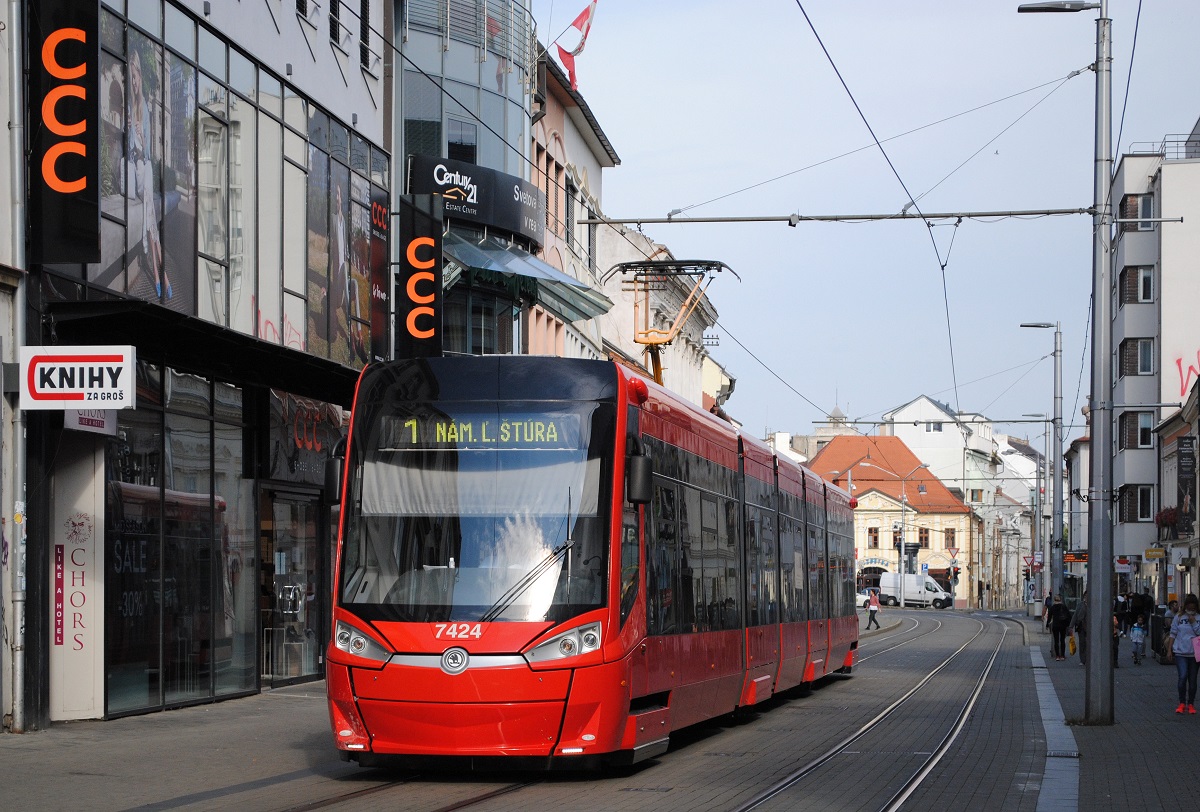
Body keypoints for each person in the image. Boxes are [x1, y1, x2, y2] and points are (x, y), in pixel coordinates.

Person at [128, 50, 169, 300]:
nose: (133, 82)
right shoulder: (131, 107)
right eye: (131, 78)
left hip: (146, 170)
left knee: (152, 223)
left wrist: (141, 138)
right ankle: (161, 275)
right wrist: (130, 135)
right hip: (138, 171)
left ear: (141, 77)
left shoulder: (144, 108)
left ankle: (158, 276)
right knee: (153, 225)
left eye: (135, 77)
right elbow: (130, 151)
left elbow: (148, 152)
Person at [1165, 594, 1200, 714]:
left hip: (1195, 653)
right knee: (1183, 676)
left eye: (1194, 608)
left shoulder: (1198, 617)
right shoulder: (1179, 617)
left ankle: (1191, 703)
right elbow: (1173, 633)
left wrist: (1194, 623)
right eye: (1189, 607)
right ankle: (1181, 702)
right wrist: (1169, 650)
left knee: (1193, 680)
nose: (1191, 610)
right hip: (1180, 653)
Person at [1047, 594, 1072, 661]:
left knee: (1056, 641)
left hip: (1055, 625)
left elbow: (1049, 617)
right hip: (1063, 625)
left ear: (1054, 600)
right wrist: (1070, 625)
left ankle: (1057, 656)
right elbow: (1069, 615)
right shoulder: (1064, 606)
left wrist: (1047, 624)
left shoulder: (1052, 607)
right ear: (1060, 599)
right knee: (1062, 640)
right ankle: (1062, 655)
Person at [1070, 591, 1088, 666]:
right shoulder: (1080, 605)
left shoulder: (1094, 605)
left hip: (1090, 627)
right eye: (1086, 596)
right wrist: (1071, 626)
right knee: (1082, 643)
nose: (1087, 598)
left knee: (1089, 643)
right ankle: (1082, 660)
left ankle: (1089, 658)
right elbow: (1075, 615)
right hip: (1081, 626)